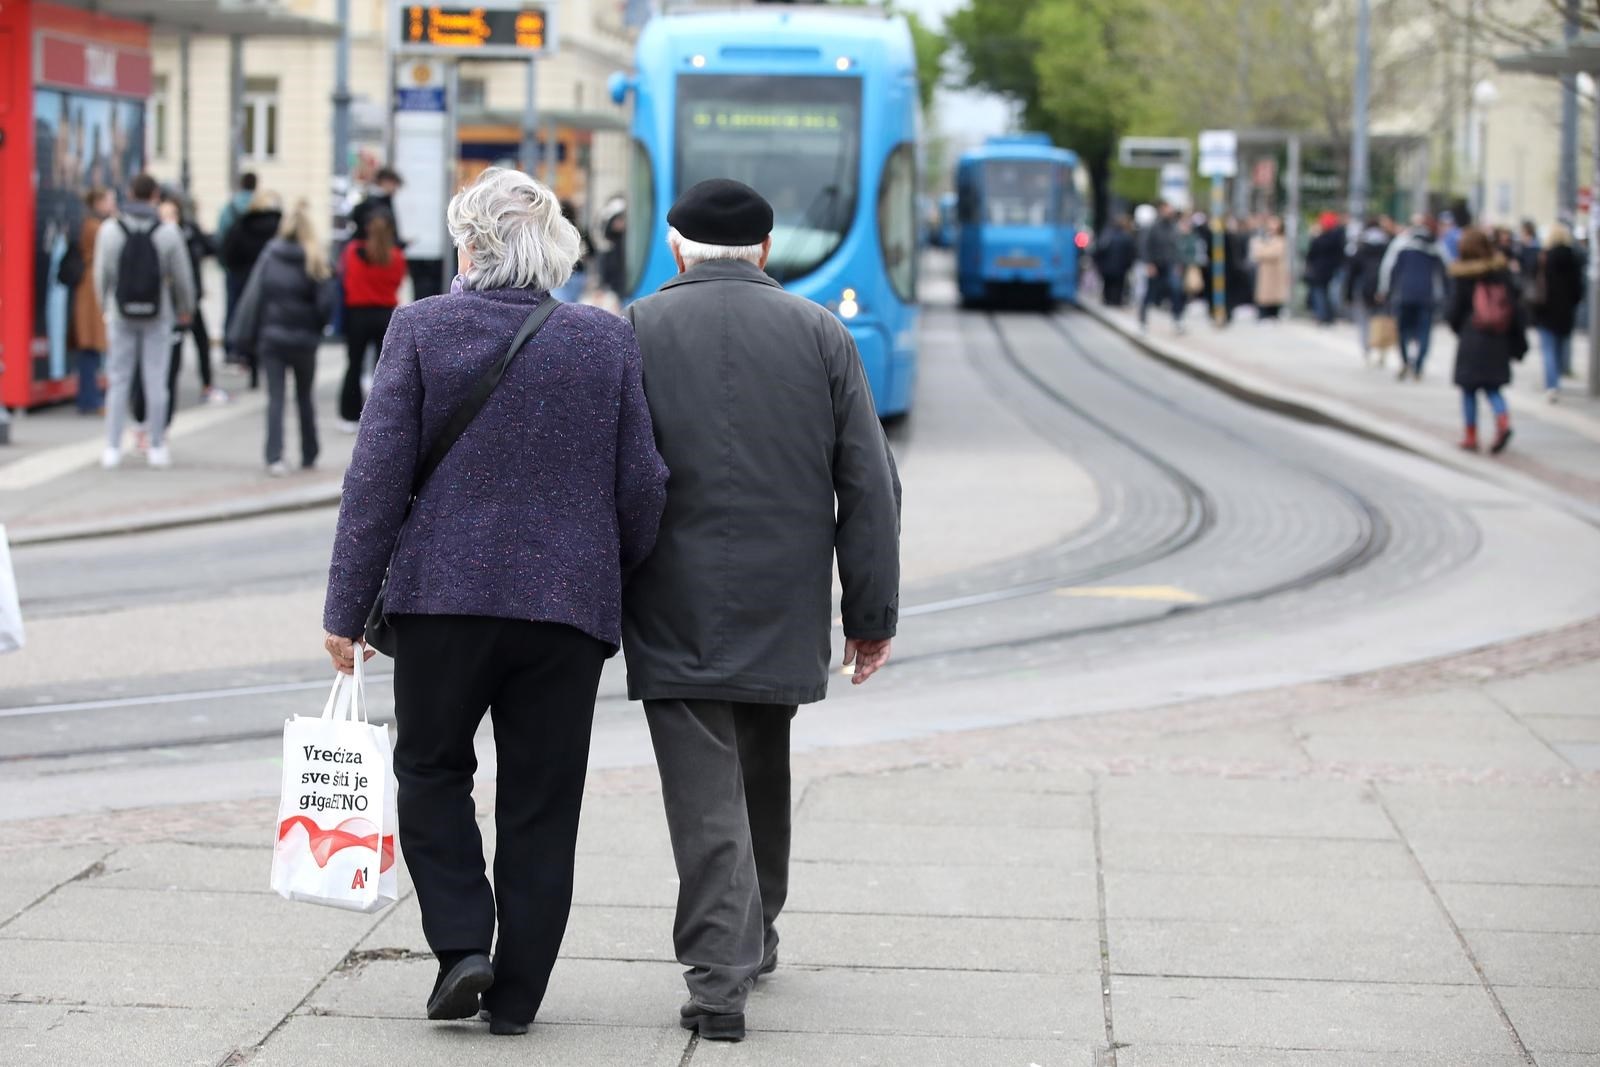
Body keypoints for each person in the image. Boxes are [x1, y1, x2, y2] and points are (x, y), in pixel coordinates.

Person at [320, 167, 668, 1036]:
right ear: (554, 248)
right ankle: (517, 998)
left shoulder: (422, 327)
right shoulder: (604, 340)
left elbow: (376, 481)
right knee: (544, 802)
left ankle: (463, 944)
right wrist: (603, 571)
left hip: (443, 599)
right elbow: (643, 487)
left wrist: (344, 608)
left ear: (469, 245)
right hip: (565, 612)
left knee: (433, 771)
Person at [622, 179, 901, 1043]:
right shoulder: (821, 332)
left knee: (704, 784)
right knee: (760, 760)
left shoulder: (633, 329)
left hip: (670, 592)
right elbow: (869, 480)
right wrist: (870, 611)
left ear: (676, 248)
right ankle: (758, 926)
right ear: (766, 252)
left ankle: (719, 980)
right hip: (784, 593)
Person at [92, 172, 195, 470]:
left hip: (121, 313)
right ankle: (157, 447)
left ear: (129, 193)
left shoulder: (110, 230)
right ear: (155, 197)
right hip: (158, 313)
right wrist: (184, 307)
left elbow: (102, 275)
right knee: (156, 380)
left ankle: (112, 447)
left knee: (119, 379)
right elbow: (183, 277)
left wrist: (105, 307)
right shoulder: (167, 232)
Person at [227, 201, 335, 476]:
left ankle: (274, 456)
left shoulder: (270, 256)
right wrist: (316, 326)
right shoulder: (315, 259)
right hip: (304, 341)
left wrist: (244, 333)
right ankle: (309, 453)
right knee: (304, 397)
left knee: (275, 398)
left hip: (271, 338)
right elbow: (326, 305)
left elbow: (254, 296)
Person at [133, 194, 224, 429]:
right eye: (164, 215)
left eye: (173, 215)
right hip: (158, 310)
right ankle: (144, 419)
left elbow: (195, 266)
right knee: (151, 367)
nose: (169, 220)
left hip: (182, 306)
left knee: (181, 359)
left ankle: (163, 422)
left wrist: (188, 305)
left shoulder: (188, 233)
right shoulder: (155, 236)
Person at [1447, 226, 1527, 454]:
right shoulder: (1501, 272)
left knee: (1469, 389)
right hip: (1497, 337)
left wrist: (1460, 328)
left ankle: (1471, 435)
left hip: (1472, 335)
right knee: (1493, 387)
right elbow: (1515, 306)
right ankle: (1502, 421)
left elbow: (1454, 311)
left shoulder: (1463, 275)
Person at [337, 214, 407, 429]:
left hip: (357, 313)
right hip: (384, 313)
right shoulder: (396, 256)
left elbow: (343, 278)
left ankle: (349, 414)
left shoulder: (352, 252)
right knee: (383, 367)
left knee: (353, 364)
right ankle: (380, 413)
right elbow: (398, 281)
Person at [221, 190, 284, 387]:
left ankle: (247, 359)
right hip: (272, 281)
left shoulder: (242, 225)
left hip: (243, 279)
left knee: (246, 319)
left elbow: (228, 252)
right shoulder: (279, 227)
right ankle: (266, 360)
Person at [1377, 214, 1448, 380]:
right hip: (1427, 297)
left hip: (1404, 295)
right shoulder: (1435, 248)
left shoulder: (1402, 245)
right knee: (1424, 333)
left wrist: (1385, 291)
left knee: (1403, 331)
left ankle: (1405, 361)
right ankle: (1418, 366)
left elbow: (1389, 269)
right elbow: (1446, 273)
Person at [69, 187, 115, 415]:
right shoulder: (96, 227)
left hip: (91, 288)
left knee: (91, 350)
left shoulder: (92, 225)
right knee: (90, 348)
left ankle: (91, 398)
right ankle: (90, 399)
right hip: (91, 290)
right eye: (108, 200)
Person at [1531, 223, 1583, 402]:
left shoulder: (1546, 257)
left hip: (1546, 309)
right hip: (1565, 310)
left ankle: (1552, 384)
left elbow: (1538, 283)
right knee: (1560, 347)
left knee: (1548, 349)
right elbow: (1578, 288)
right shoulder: (1573, 257)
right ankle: (1557, 381)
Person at [217, 172, 257, 364]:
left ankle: (230, 347)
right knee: (253, 309)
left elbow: (220, 237)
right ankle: (249, 351)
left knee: (231, 307)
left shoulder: (230, 208)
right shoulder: (260, 208)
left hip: (233, 268)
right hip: (255, 268)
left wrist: (224, 264)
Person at [1345, 216, 1395, 367]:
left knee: (1365, 321)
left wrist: (1347, 293)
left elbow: (1352, 272)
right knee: (1383, 319)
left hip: (1364, 287)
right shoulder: (1388, 245)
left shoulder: (1361, 247)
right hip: (1383, 289)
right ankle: (1382, 350)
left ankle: (1367, 350)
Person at [1138, 201, 1183, 333]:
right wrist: (1149, 263)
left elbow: (1177, 247)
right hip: (1156, 264)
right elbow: (1145, 246)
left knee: (1176, 290)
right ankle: (1143, 322)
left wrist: (1178, 263)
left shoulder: (1174, 227)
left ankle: (1177, 320)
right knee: (1149, 293)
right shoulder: (1153, 227)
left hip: (1170, 264)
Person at [1304, 211, 1346, 326]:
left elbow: (1311, 253)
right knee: (1328, 294)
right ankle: (1328, 316)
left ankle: (1322, 315)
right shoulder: (1338, 236)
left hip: (1320, 270)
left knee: (1320, 293)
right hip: (1331, 270)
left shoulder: (1321, 238)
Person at [552, 200, 596, 303]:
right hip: (578, 273)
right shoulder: (580, 231)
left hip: (559, 273)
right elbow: (592, 252)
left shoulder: (554, 231)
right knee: (574, 303)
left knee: (559, 303)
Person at [1250, 215, 1290, 320]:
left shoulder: (1281, 239)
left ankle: (1273, 314)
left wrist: (1263, 250)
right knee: (1264, 294)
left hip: (1276, 271)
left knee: (1274, 295)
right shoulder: (1264, 238)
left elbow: (1274, 253)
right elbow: (1257, 252)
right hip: (1266, 271)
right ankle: (1264, 314)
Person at [1092, 217, 1136, 307]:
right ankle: (1116, 301)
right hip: (1120, 267)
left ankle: (1107, 300)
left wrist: (1098, 263)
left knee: (1108, 283)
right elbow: (1131, 253)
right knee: (1118, 285)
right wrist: (1129, 265)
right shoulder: (1127, 237)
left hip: (1107, 266)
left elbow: (1099, 251)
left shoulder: (1107, 236)